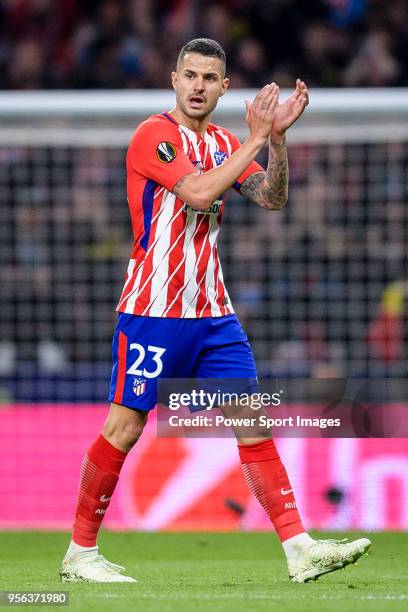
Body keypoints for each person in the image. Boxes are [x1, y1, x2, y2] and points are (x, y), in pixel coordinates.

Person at [60, 38, 371, 584]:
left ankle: (299, 548)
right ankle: (80, 553)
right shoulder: (153, 136)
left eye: (210, 77)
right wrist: (254, 138)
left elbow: (272, 199)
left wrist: (275, 142)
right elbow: (200, 193)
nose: (199, 86)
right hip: (154, 310)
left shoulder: (228, 141)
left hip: (214, 315)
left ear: (225, 86)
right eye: (190, 75)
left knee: (252, 422)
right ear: (174, 80)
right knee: (125, 426)